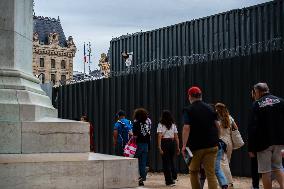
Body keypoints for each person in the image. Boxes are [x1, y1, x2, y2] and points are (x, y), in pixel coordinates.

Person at [182, 86, 219, 189]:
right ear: (201, 96)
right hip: (212, 145)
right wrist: (217, 139)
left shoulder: (188, 109)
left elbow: (186, 127)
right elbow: (217, 125)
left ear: (189, 96)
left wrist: (184, 145)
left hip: (196, 147)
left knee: (193, 171)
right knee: (210, 173)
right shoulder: (210, 108)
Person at [248, 83, 284, 189]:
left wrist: (251, 148)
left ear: (257, 92)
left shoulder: (256, 104)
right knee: (278, 167)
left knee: (265, 171)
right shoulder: (281, 101)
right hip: (279, 141)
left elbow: (252, 128)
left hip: (263, 143)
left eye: (254, 93)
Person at [215, 103, 239, 188]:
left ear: (217, 109)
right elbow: (236, 128)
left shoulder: (217, 119)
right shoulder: (230, 118)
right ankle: (227, 181)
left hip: (221, 141)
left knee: (222, 163)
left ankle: (228, 182)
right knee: (226, 162)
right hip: (229, 142)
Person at [157, 110, 180, 186]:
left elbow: (160, 136)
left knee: (165, 162)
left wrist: (159, 147)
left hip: (164, 143)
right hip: (172, 143)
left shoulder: (161, 124)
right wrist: (178, 147)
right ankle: (173, 176)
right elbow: (176, 137)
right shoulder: (173, 125)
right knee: (171, 160)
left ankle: (169, 181)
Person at [133, 108, 151, 186]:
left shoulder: (136, 123)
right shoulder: (146, 124)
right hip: (145, 145)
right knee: (142, 163)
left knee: (133, 161)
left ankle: (135, 178)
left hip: (138, 144)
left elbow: (135, 135)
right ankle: (142, 179)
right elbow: (148, 136)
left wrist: (131, 134)